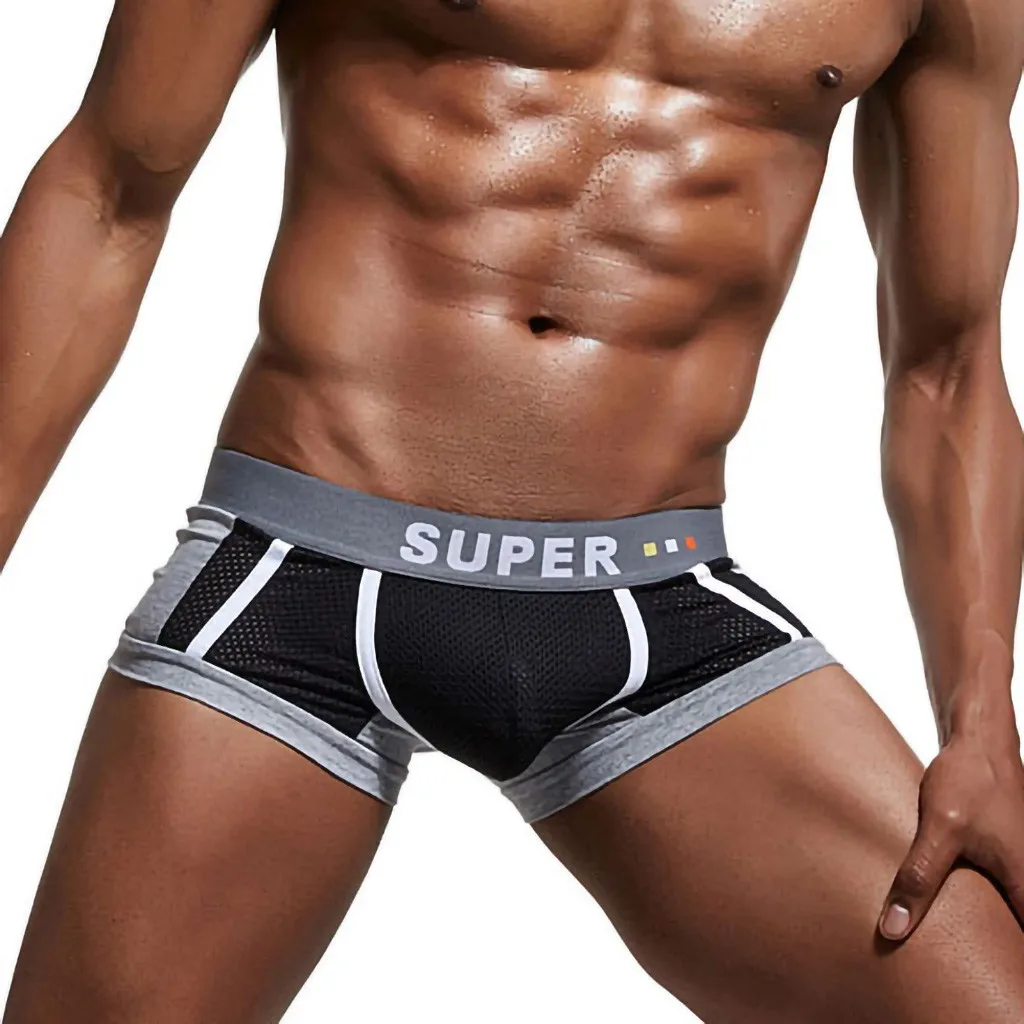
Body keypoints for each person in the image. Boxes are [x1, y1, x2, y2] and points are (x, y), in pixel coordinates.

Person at [2, 0, 1024, 1020]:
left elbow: (950, 363)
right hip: (295, 586)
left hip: (654, 606)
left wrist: (982, 727)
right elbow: (107, 194)